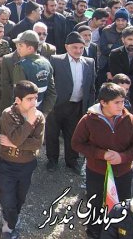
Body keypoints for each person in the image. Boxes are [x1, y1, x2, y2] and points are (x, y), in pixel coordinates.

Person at [0, 30, 56, 185]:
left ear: (30, 48)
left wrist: (12, 116)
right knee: (30, 143)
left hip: (21, 115)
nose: (17, 48)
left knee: (2, 142)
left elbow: (18, 97)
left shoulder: (21, 65)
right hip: (37, 114)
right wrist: (42, 113)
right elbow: (52, 93)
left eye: (20, 45)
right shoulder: (46, 63)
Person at [71, 83, 133, 239]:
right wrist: (101, 154)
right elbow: (76, 144)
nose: (121, 106)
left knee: (121, 205)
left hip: (123, 173)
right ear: (103, 102)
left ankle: (120, 232)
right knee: (95, 204)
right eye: (117, 102)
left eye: (123, 101)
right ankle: (94, 232)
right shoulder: (88, 120)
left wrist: (122, 157)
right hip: (97, 173)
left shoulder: (129, 119)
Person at [0, 80, 45, 239]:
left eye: (36, 98)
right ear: (18, 100)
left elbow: (37, 143)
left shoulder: (39, 117)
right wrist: (28, 123)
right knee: (7, 196)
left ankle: (11, 218)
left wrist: (13, 143)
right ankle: (9, 227)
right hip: (8, 164)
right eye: (30, 99)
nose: (34, 102)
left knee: (20, 197)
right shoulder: (8, 114)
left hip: (27, 165)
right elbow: (19, 139)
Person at [46, 32, 96, 174]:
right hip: (57, 106)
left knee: (73, 135)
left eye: (81, 47)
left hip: (77, 105)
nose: (78, 51)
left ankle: (72, 161)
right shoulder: (55, 60)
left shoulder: (89, 62)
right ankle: (52, 160)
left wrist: (90, 107)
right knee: (52, 134)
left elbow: (91, 87)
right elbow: (50, 84)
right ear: (67, 47)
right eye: (75, 47)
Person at [108, 26, 133, 112]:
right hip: (117, 94)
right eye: (130, 39)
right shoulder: (115, 54)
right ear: (123, 40)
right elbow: (117, 77)